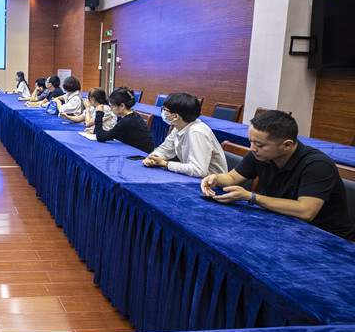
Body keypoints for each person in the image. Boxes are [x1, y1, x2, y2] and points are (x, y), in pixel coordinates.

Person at [201, 110, 355, 240]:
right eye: (251, 141)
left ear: (287, 145)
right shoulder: (259, 154)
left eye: (259, 144)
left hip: (327, 238)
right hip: (284, 224)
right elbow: (232, 178)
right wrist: (215, 178)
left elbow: (306, 211)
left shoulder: (317, 165)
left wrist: (252, 197)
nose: (252, 148)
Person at [143, 92, 226, 178]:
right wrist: (153, 158)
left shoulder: (197, 132)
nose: (163, 112)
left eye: (165, 110)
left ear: (175, 116)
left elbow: (198, 170)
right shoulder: (179, 126)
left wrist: (165, 164)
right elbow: (165, 149)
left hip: (211, 182)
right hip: (194, 177)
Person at [93, 87, 155, 153]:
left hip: (141, 154)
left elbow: (100, 137)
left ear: (122, 106)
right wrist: (96, 130)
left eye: (112, 107)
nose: (111, 110)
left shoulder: (127, 121)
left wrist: (99, 113)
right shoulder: (133, 115)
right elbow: (114, 133)